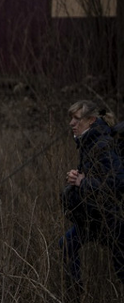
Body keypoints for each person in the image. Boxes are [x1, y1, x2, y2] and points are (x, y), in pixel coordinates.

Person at [59, 100, 124, 297]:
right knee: (66, 245)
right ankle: (76, 294)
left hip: (110, 219)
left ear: (91, 120)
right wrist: (78, 177)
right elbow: (96, 176)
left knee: (122, 269)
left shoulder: (102, 144)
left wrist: (83, 182)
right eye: (71, 118)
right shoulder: (88, 142)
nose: (71, 123)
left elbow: (117, 183)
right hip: (92, 217)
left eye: (77, 119)